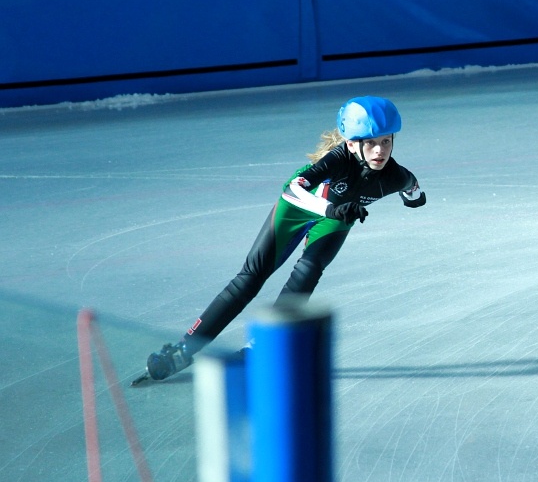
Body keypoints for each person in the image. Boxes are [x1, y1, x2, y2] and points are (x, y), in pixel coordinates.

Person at [135, 96, 426, 383]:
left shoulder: (395, 176)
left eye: (386, 141)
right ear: (351, 143)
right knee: (250, 277)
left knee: (309, 270)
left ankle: (262, 351)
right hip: (300, 205)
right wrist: (331, 208)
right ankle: (185, 349)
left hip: (335, 217)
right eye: (371, 142)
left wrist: (413, 197)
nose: (380, 150)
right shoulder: (338, 159)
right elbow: (293, 190)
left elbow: (412, 187)